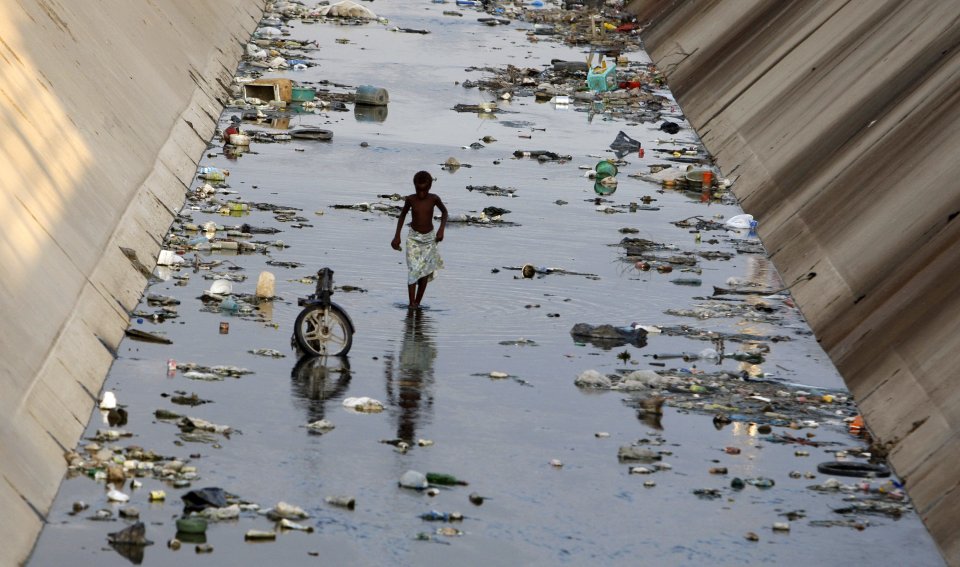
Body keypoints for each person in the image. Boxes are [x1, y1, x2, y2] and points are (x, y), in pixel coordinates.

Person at [391, 171, 447, 308]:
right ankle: (411, 303)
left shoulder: (434, 199)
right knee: (413, 270)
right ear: (414, 186)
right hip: (413, 239)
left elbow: (445, 212)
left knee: (425, 271)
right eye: (418, 190)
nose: (421, 193)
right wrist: (397, 235)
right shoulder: (411, 199)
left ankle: (417, 303)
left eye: (424, 190)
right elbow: (402, 216)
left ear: (429, 187)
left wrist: (441, 230)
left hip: (429, 239)